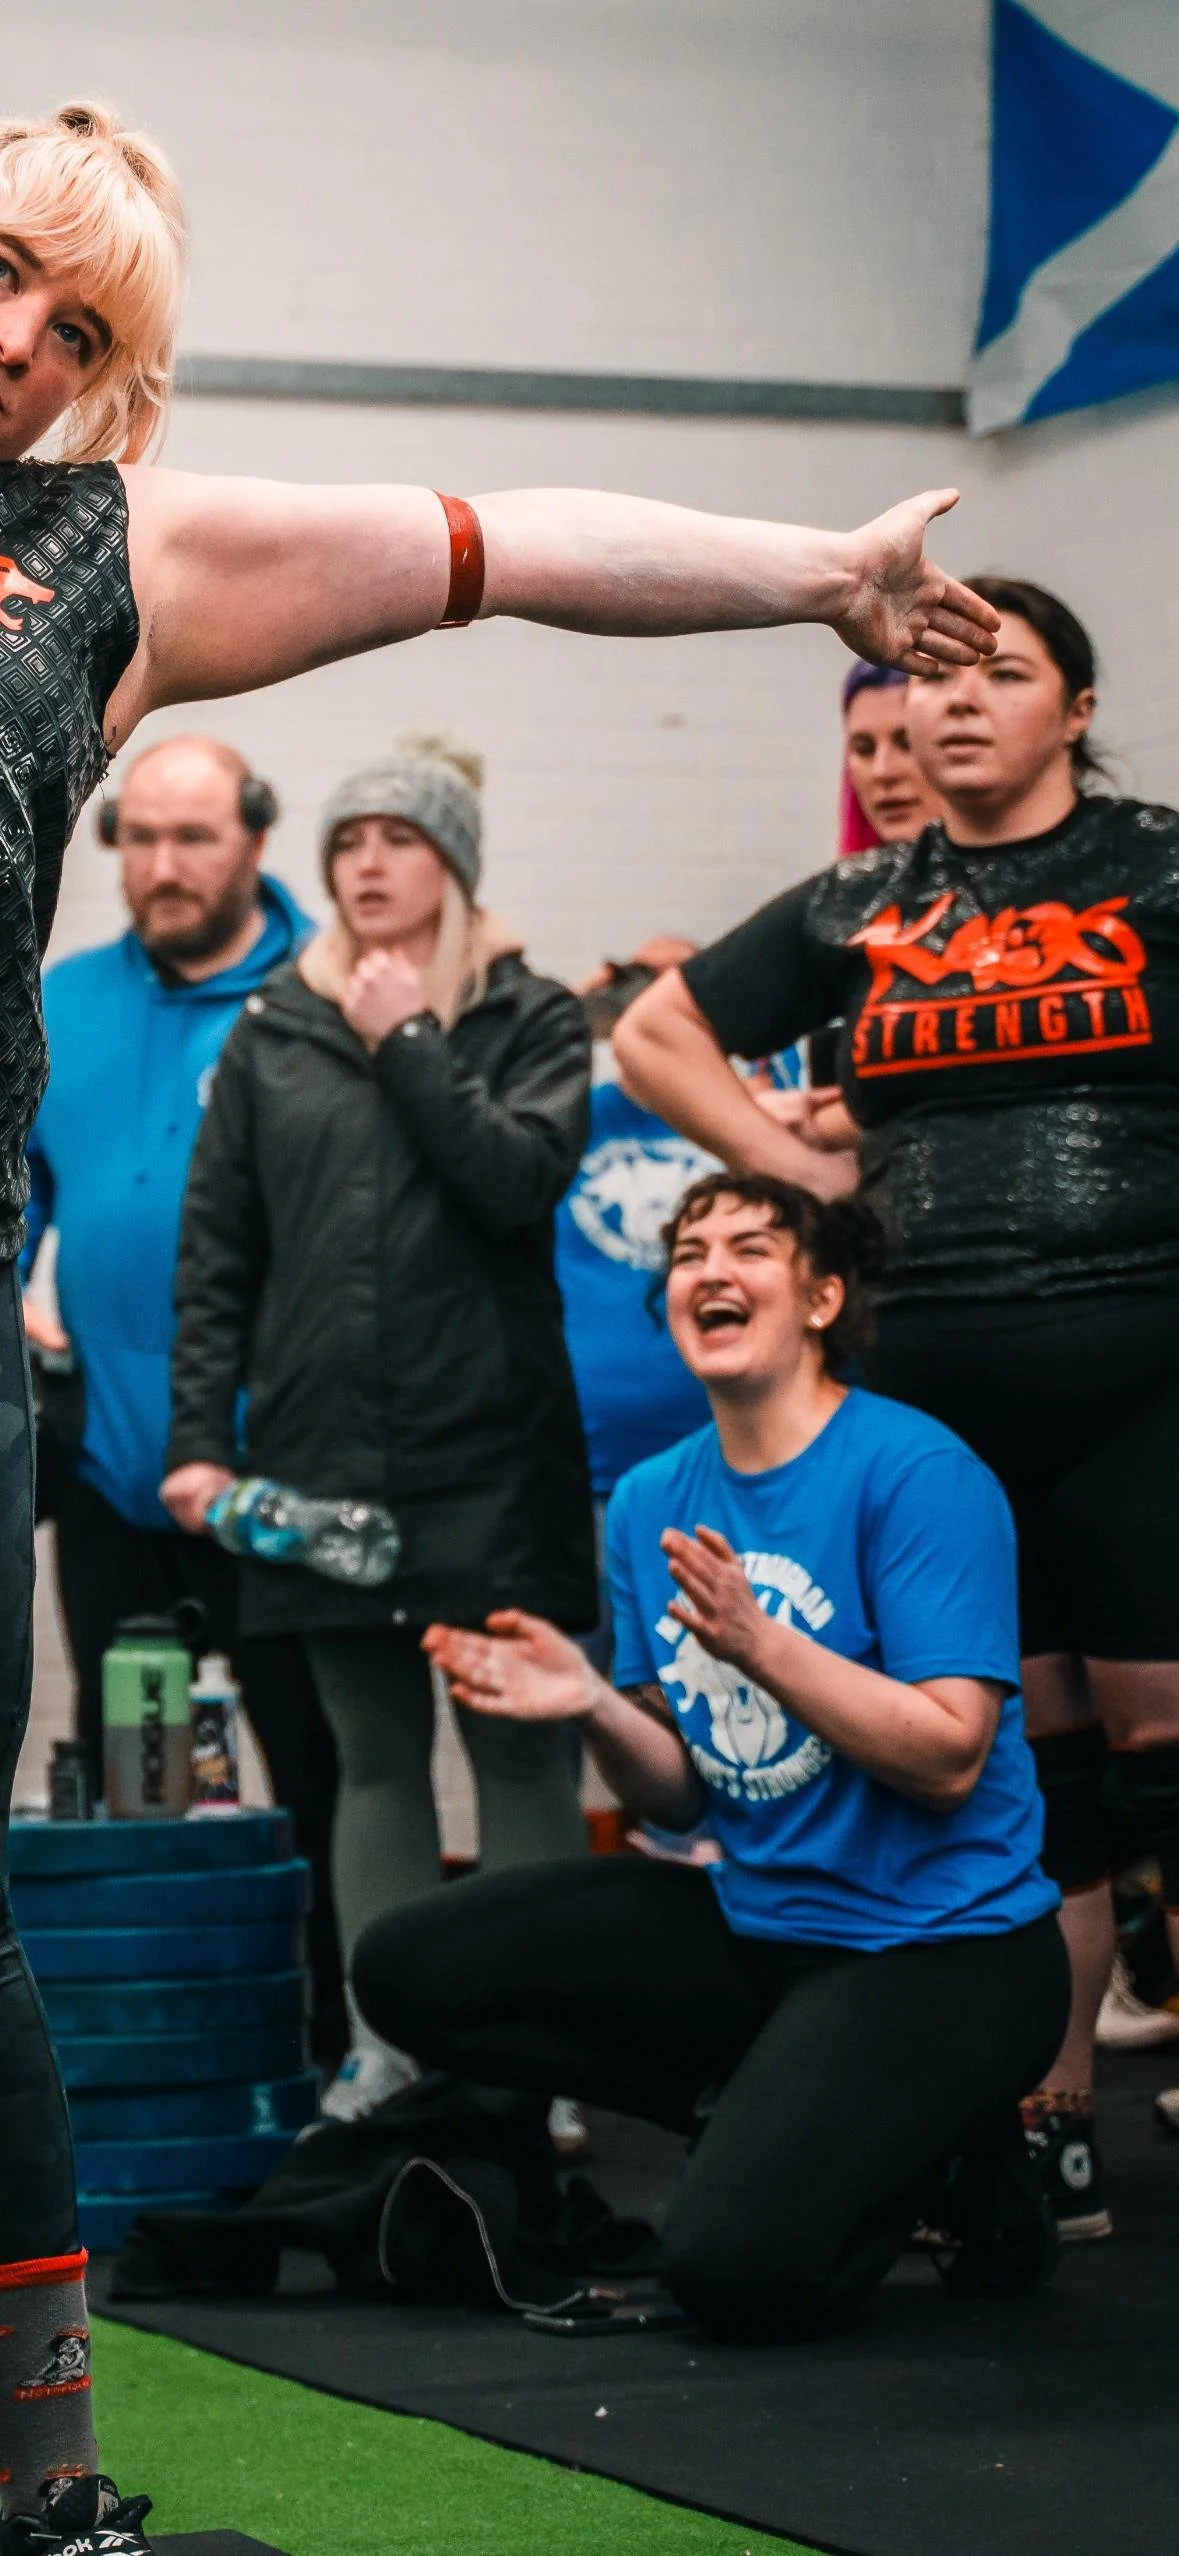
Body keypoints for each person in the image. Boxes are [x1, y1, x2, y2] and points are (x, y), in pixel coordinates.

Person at [0, 88, 996, 2542]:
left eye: (79, 324)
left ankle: (39, 2490)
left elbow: (508, 544)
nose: (19, 343)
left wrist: (811, 568)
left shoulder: (106, 566)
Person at [614, 575, 1179, 2243]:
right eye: (926, 681)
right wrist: (786, 1157)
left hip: (1141, 1360)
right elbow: (658, 1031)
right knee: (1028, 1762)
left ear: (1069, 709)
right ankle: (1046, 2113)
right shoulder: (863, 896)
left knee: (1162, 1752)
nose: (950, 706)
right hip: (934, 1381)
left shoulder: (1154, 864)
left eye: (994, 675)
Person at [352, 1173, 1067, 2342]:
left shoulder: (916, 1473)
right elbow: (683, 1791)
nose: (710, 1270)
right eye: (689, 1253)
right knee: (408, 1966)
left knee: (736, 2271)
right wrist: (589, 1702)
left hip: (948, 1953)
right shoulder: (650, 1501)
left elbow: (947, 1756)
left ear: (824, 1297)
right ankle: (776, 2114)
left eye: (751, 1248)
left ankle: (948, 2159)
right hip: (760, 1926)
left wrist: (759, 1643)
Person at [161, 734, 597, 2121]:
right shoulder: (269, 1033)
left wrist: (406, 1034)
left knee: (522, 1751)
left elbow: (515, 1183)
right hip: (320, 1460)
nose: (364, 862)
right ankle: (391, 2045)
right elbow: (215, 1255)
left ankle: (543, 2056)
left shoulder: (527, 1015)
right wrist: (198, 1442)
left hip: (489, 1456)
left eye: (396, 839)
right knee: (372, 1759)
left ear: (451, 865)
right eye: (346, 841)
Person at [19, 734, 346, 2064]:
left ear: (255, 841)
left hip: (285, 1483)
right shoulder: (63, 1001)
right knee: (148, 1772)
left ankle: (333, 2045)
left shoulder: (328, 995)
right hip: (113, 1477)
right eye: (138, 838)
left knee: (319, 1769)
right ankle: (178, 2049)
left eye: (192, 837)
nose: (160, 866)